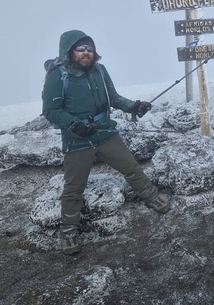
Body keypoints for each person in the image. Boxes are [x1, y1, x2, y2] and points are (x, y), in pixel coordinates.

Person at [42, 30, 170, 255]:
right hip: (77, 139)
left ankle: (151, 197)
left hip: (105, 131)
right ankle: (68, 231)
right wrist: (74, 124)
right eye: (80, 49)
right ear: (69, 51)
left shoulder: (100, 71)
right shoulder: (57, 75)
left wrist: (134, 106)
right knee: (74, 187)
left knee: (131, 167)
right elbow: (51, 111)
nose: (86, 53)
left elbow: (115, 98)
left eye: (89, 49)